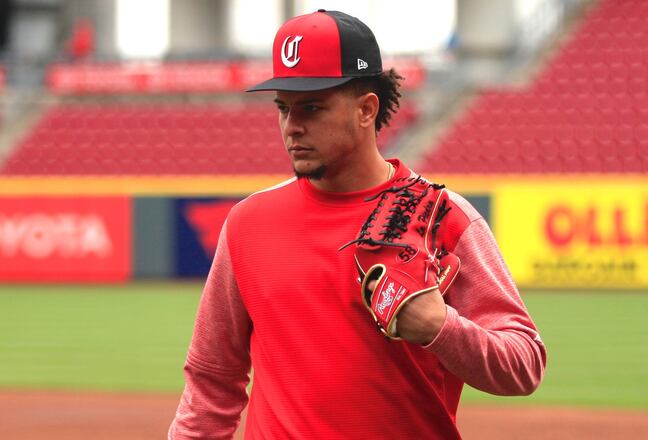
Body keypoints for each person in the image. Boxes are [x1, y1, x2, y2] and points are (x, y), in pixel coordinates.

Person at [169, 10, 546, 439]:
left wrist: (441, 328)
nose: (293, 127)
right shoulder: (247, 224)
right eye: (284, 108)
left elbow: (524, 365)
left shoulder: (440, 217)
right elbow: (211, 378)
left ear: (367, 110)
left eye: (312, 107)